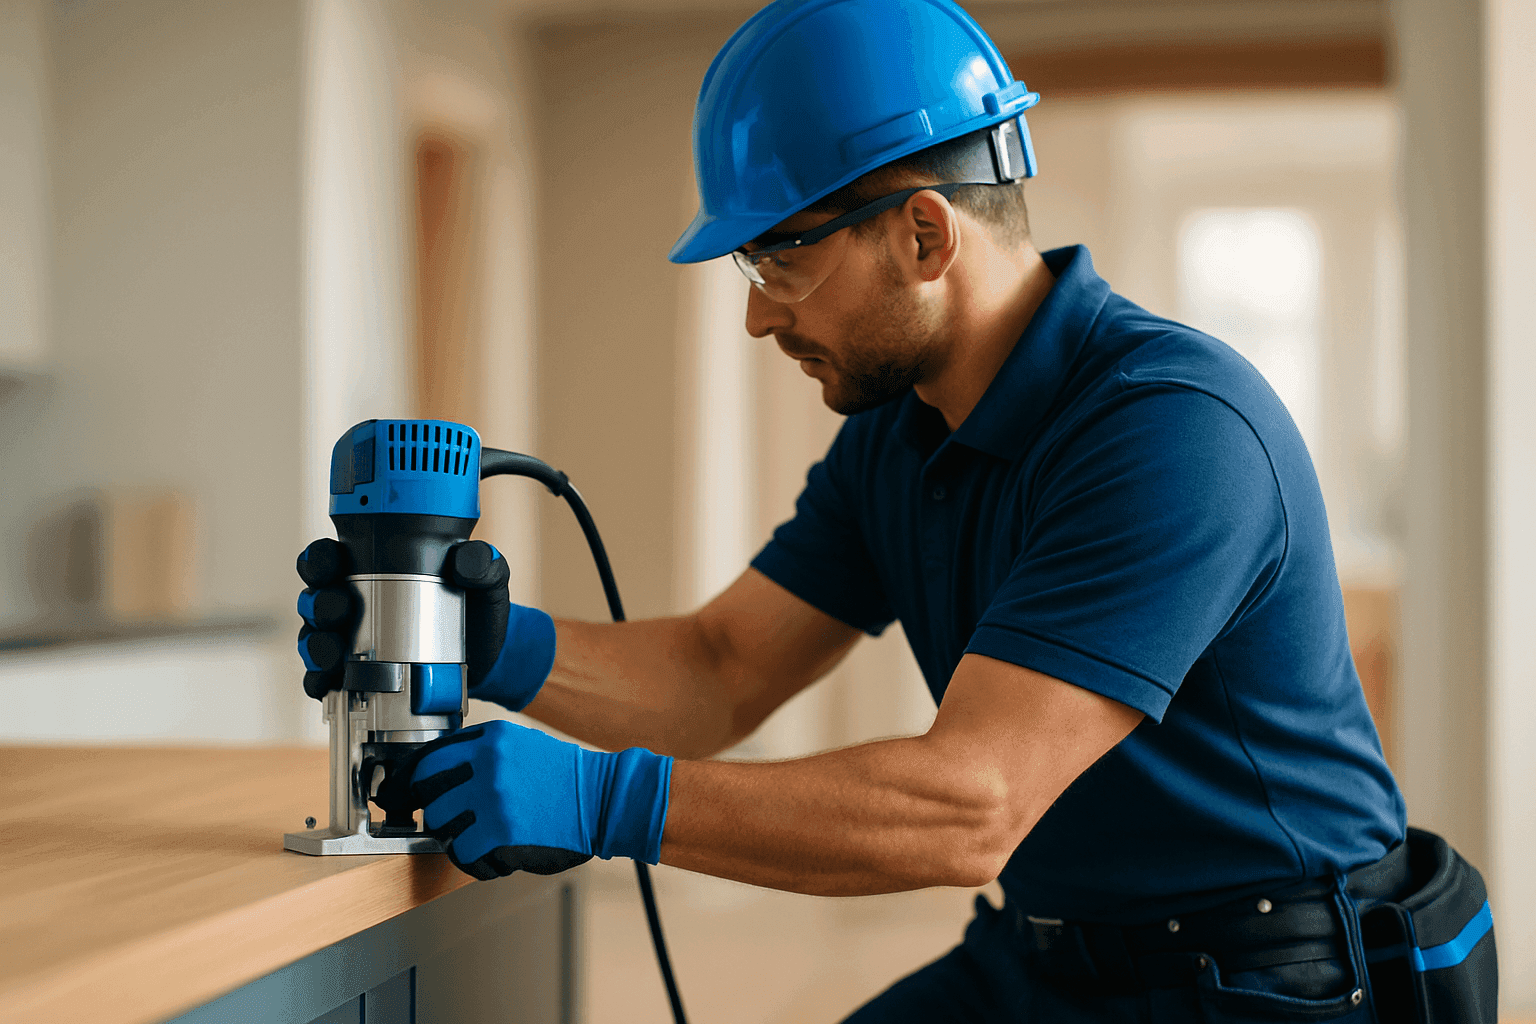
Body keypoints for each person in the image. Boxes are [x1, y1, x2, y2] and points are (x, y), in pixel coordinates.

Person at [297, 1, 1495, 1020]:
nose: (761, 317)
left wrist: (609, 800)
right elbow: (719, 672)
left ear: (924, 232)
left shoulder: (1171, 429)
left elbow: (967, 803)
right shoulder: (896, 433)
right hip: (1047, 947)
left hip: (1273, 976)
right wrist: (494, 647)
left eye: (779, 260)